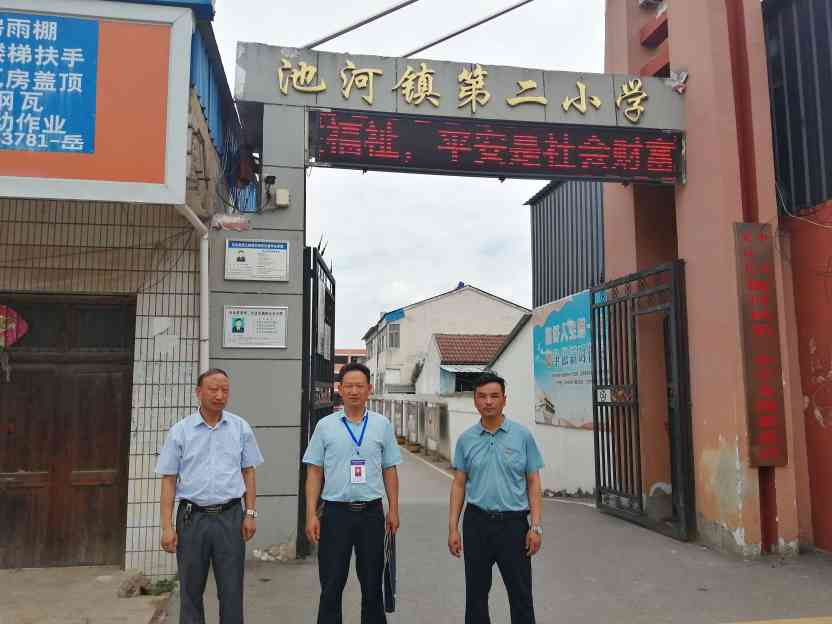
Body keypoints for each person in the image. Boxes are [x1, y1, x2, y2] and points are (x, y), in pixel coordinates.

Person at [156, 368, 264, 624]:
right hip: (193, 519)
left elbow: (248, 472)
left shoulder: (240, 428)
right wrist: (167, 527)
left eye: (224, 390)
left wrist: (250, 513)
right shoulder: (181, 431)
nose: (219, 395)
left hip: (230, 517)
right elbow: (168, 480)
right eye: (213, 389)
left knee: (232, 590)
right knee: (190, 591)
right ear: (199, 392)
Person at [303, 362, 402, 624]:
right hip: (335, 515)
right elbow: (314, 471)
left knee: (372, 586)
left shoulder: (382, 425)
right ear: (340, 389)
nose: (354, 391)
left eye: (359, 386)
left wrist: (393, 509)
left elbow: (390, 469)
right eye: (349, 386)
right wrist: (311, 514)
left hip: (371, 514)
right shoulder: (325, 426)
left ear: (369, 389)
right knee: (331, 585)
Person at [448, 372, 544, 624]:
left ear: (504, 400)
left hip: (513, 526)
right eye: (482, 396)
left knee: (521, 595)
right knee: (476, 596)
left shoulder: (522, 436)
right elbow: (459, 484)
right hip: (476, 524)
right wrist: (453, 528)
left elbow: (533, 482)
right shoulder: (466, 440)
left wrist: (535, 526)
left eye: (494, 396)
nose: (488, 401)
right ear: (475, 400)